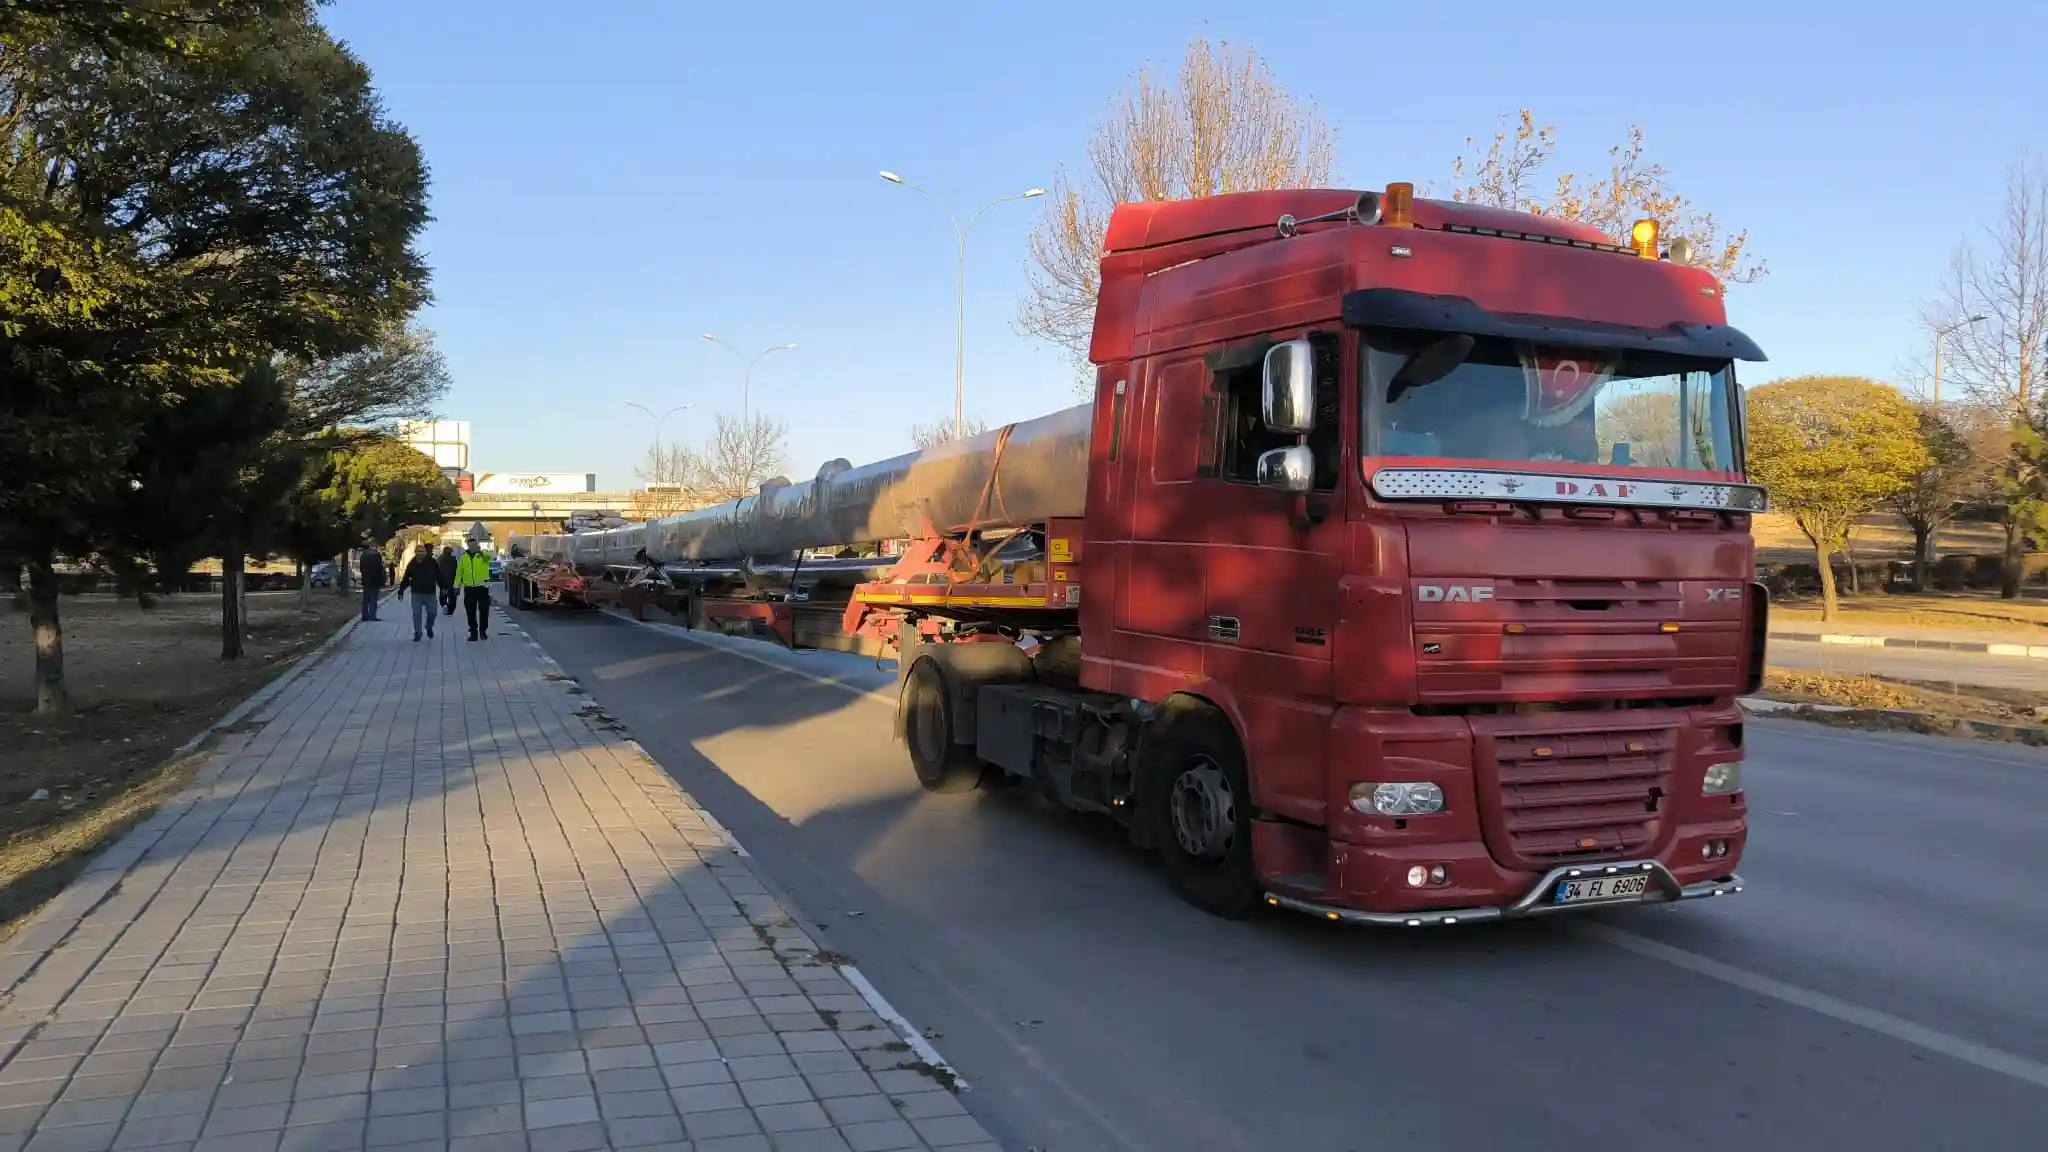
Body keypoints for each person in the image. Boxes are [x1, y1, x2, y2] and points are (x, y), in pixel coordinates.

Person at [399, 542, 442, 641]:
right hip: (416, 592)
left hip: (430, 592)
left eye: (423, 551)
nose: (421, 553)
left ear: (425, 552)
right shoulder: (412, 564)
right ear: (415, 552)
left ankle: (428, 627)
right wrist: (401, 590)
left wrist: (443, 587)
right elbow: (406, 578)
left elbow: (439, 575)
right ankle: (418, 632)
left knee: (432, 613)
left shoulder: (432, 562)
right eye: (419, 551)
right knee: (416, 614)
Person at [454, 538, 493, 641]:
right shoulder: (463, 558)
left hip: (482, 587)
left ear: (477, 545)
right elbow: (459, 573)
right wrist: (456, 586)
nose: (472, 547)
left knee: (484, 610)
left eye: (474, 545)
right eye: (470, 545)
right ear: (467, 545)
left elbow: (490, 556)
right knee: (470, 611)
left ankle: (483, 631)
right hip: (469, 588)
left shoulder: (483, 555)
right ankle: (473, 632)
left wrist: (480, 551)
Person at [356, 544, 385, 622]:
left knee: (365, 599)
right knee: (373, 599)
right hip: (375, 580)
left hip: (366, 580)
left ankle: (364, 616)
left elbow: (361, 568)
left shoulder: (363, 555)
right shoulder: (377, 556)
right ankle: (372, 615)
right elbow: (380, 569)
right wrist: (382, 581)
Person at [437, 545, 459, 616]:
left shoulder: (440, 559)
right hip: (452, 581)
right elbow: (457, 571)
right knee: (452, 597)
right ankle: (450, 611)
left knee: (443, 595)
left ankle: (444, 605)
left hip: (443, 581)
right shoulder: (454, 560)